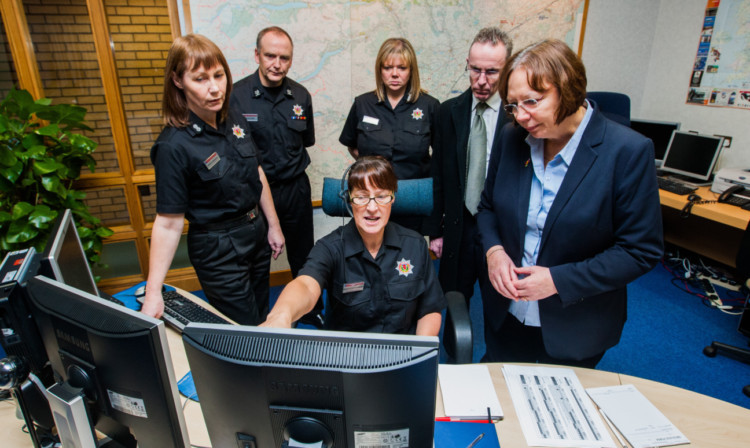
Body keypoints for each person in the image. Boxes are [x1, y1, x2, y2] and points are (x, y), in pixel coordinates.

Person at [477, 39, 663, 367]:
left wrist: (558, 281)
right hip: (506, 311)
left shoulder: (627, 152)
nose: (520, 116)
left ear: (568, 89)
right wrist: (494, 253)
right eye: (512, 105)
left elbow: (639, 251)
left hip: (573, 323)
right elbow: (488, 207)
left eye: (532, 102)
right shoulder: (512, 137)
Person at [141, 34, 285, 325]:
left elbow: (256, 173)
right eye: (200, 79)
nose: (215, 88)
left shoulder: (233, 119)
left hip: (254, 233)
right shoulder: (173, 145)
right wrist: (154, 290)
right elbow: (168, 223)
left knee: (260, 314)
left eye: (219, 75)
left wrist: (273, 225)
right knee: (240, 328)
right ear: (178, 81)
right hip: (218, 247)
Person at [262, 156, 445, 336]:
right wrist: (282, 314)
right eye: (361, 197)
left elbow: (429, 309)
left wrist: (417, 354)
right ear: (349, 200)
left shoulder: (415, 244)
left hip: (402, 355)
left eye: (381, 196)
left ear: (393, 199)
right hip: (349, 358)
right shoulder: (330, 247)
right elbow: (306, 285)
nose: (372, 208)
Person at [230, 26, 321, 325]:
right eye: (270, 55)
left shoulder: (301, 96)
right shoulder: (237, 98)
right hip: (255, 195)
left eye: (284, 58)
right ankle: (257, 319)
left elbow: (306, 140)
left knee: (304, 257)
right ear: (257, 55)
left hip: (295, 189)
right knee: (257, 261)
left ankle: (311, 313)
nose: (276, 64)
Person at [426, 27, 513, 308]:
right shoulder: (448, 111)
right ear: (467, 63)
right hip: (459, 227)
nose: (482, 81)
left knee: (500, 305)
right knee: (453, 301)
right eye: (475, 70)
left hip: (502, 230)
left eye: (492, 72)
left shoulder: (520, 116)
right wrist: (435, 231)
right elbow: (438, 174)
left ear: (508, 69)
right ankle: (453, 353)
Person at [339, 38, 439, 234]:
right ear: (379, 70)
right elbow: (352, 144)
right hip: (371, 204)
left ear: (411, 71)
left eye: (402, 68)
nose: (394, 74)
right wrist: (373, 169)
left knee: (408, 260)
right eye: (387, 67)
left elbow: (440, 155)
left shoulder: (429, 106)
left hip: (412, 203)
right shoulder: (363, 104)